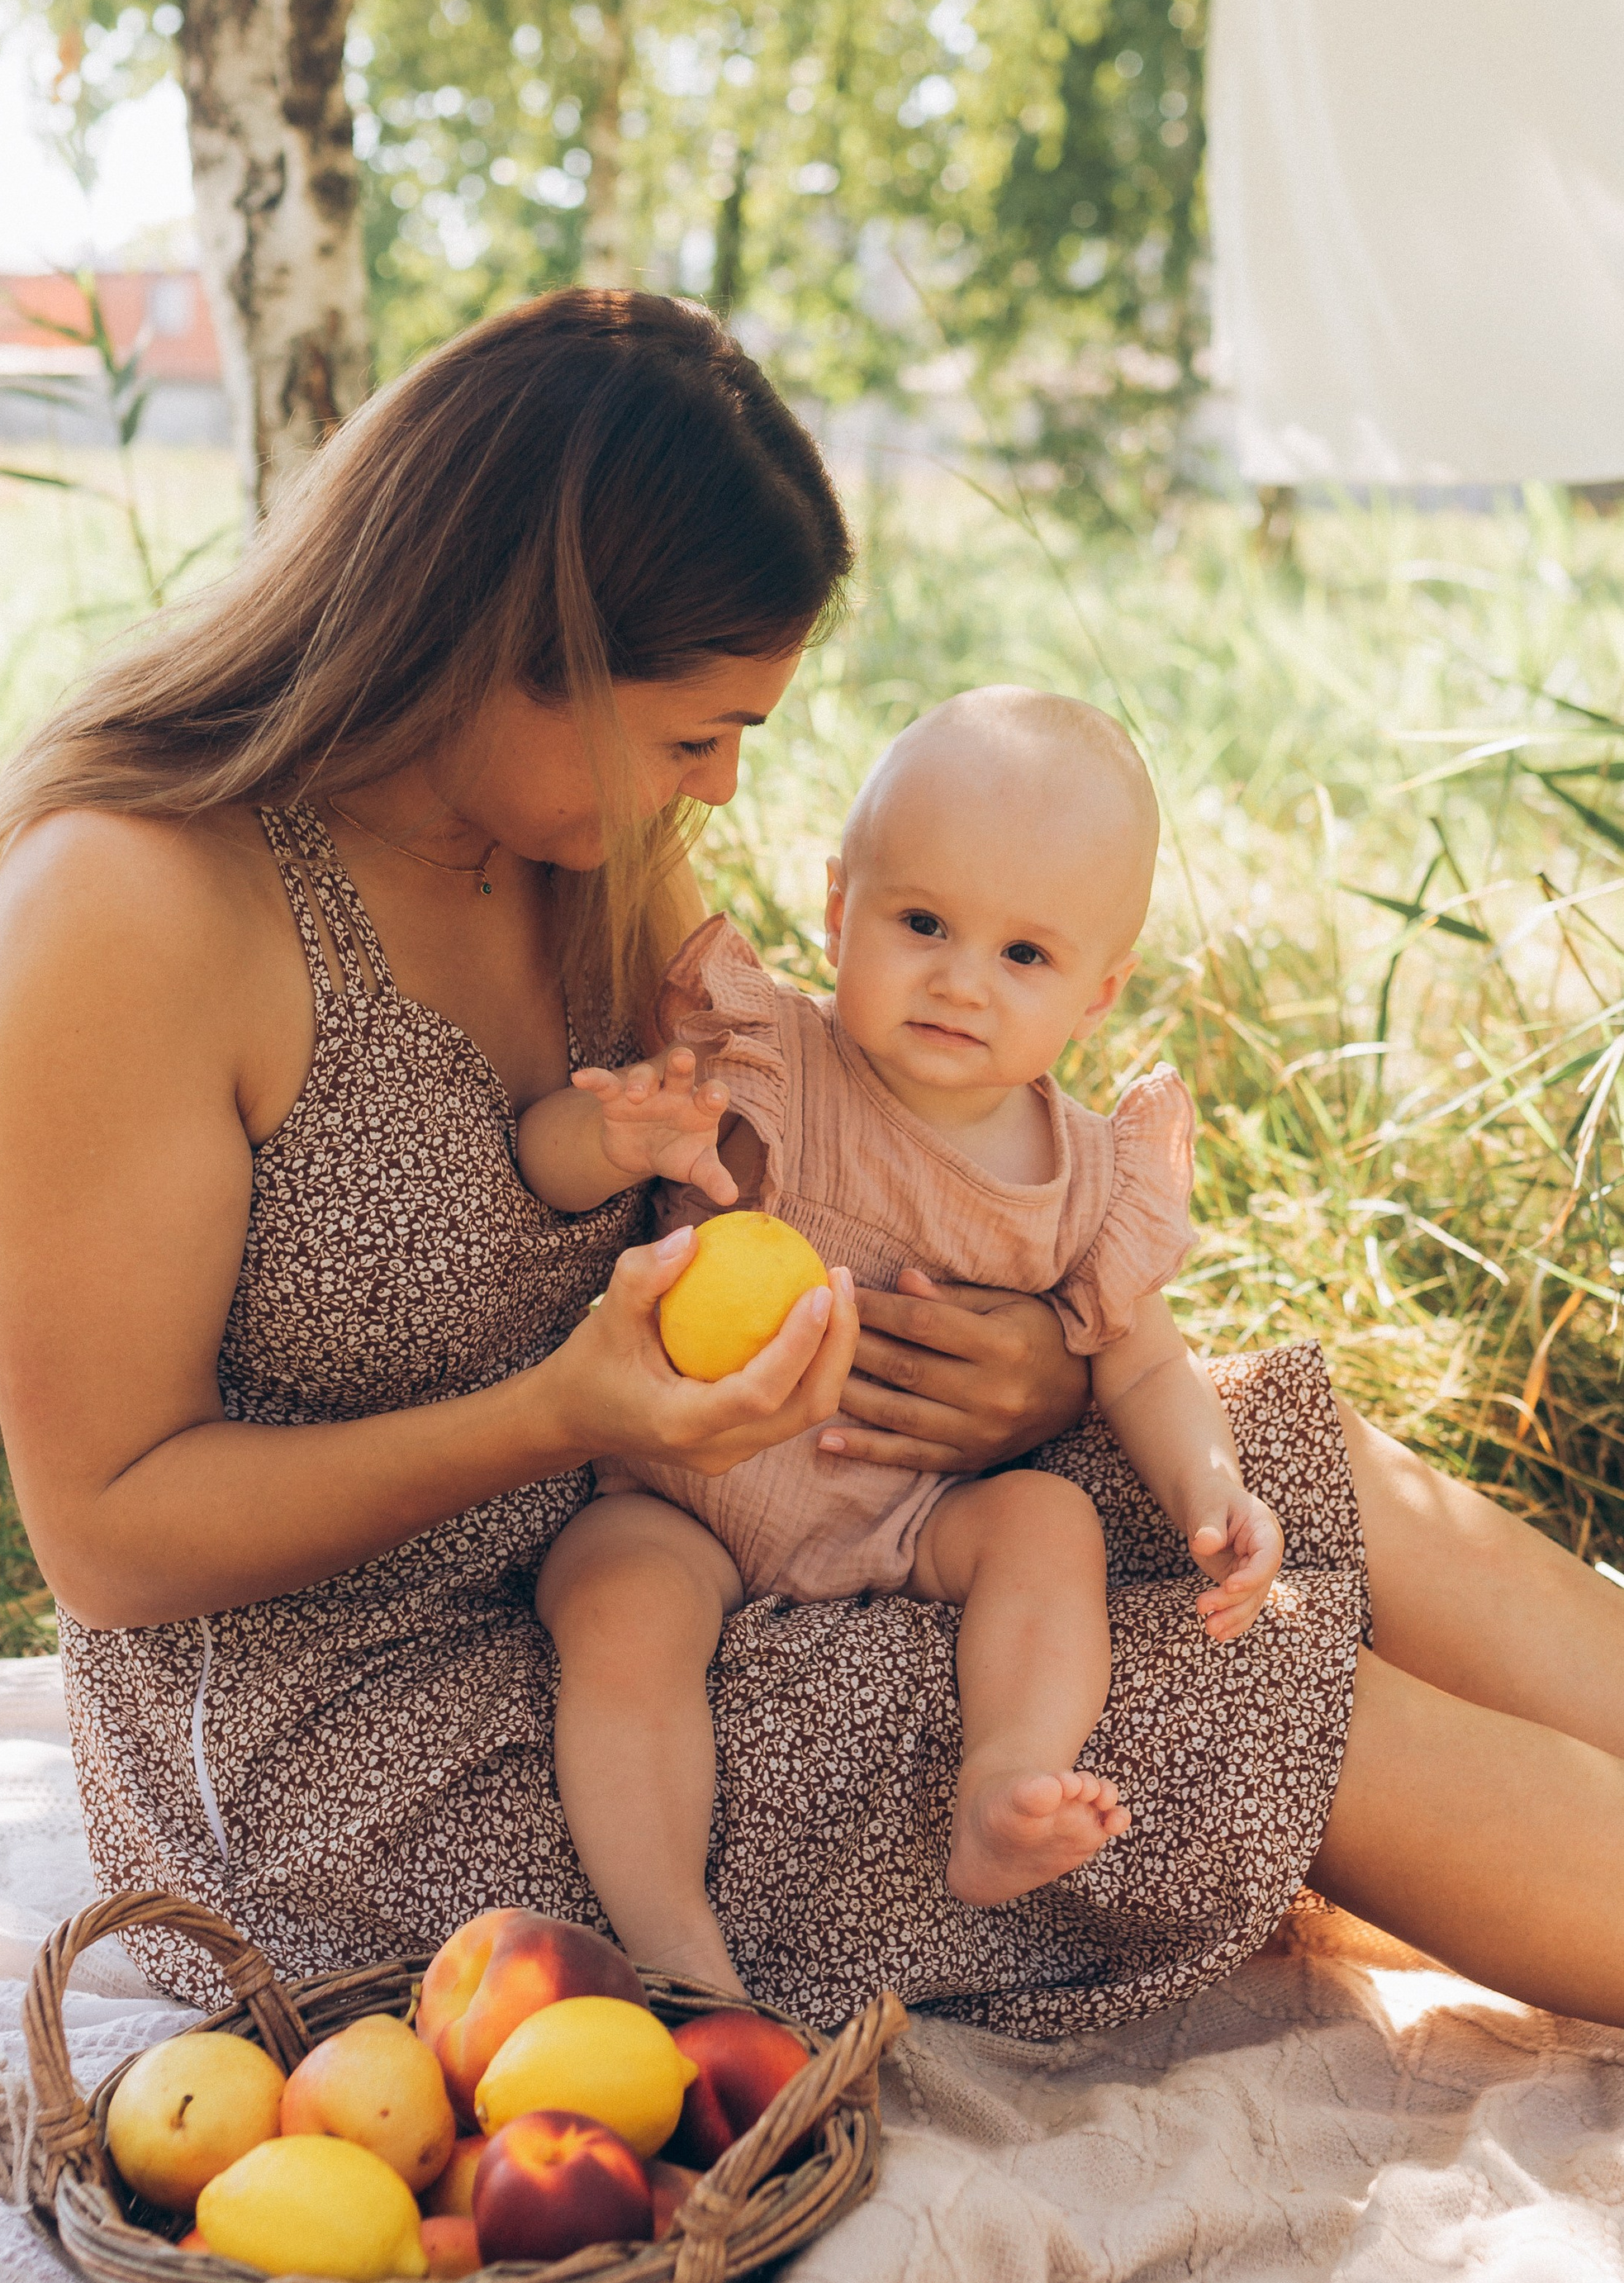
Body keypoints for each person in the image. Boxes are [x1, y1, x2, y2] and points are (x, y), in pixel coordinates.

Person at [0, 286, 1624, 2044]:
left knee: (1288, 1459)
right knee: (1252, 1695)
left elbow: (829, 1154)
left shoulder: (580, 842)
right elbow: (108, 1537)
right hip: (382, 1724)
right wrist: (555, 1420)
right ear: (512, 642)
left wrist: (1039, 1366)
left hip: (704, 1514)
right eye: (697, 735)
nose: (725, 795)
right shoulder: (130, 903)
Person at [520, 687, 1280, 1959]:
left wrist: (1215, 1489)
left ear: (1099, 994)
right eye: (921, 923)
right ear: (838, 910)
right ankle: (673, 1940)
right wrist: (610, 1137)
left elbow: (1147, 1364)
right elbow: (543, 1176)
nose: (959, 982)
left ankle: (1006, 1781)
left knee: (1050, 1523)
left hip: (907, 1520)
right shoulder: (772, 1060)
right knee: (615, 1612)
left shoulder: (1088, 1179)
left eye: (1024, 956)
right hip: (675, 1492)